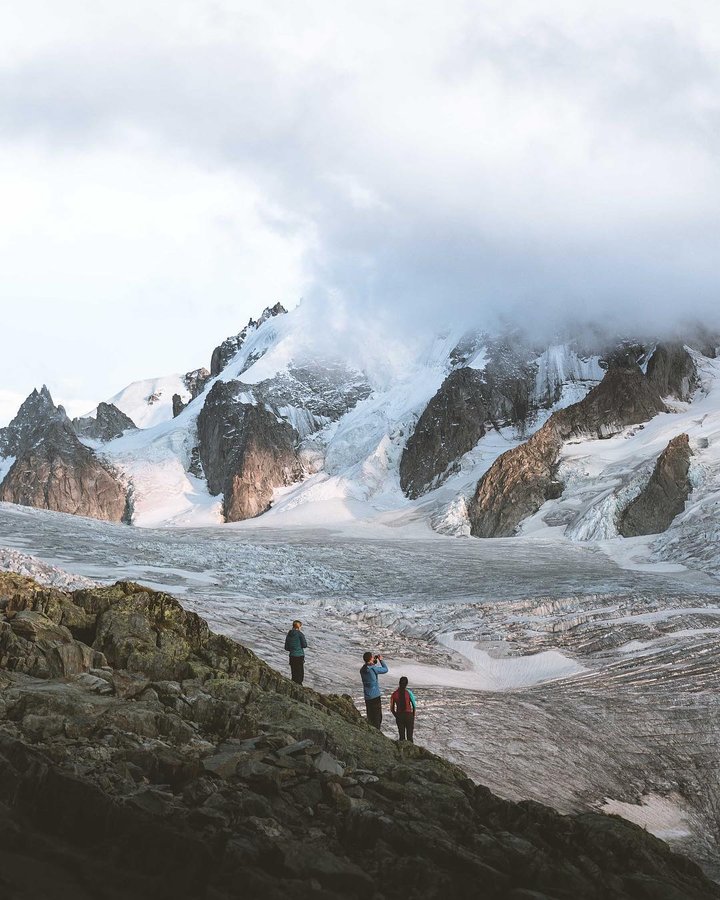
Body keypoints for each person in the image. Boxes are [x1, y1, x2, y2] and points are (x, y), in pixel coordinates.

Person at [360, 651, 388, 728]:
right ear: (370, 658)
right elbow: (385, 669)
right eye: (372, 657)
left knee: (370, 717)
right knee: (377, 718)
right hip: (375, 696)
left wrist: (373, 662)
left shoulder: (362, 670)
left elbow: (368, 666)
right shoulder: (373, 669)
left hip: (367, 697)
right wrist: (381, 660)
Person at [390, 676, 417, 743]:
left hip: (399, 715)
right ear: (406, 684)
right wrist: (412, 715)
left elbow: (392, 708)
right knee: (410, 737)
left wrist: (396, 716)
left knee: (402, 737)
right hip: (409, 715)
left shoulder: (394, 694)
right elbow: (414, 705)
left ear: (399, 683)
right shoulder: (409, 693)